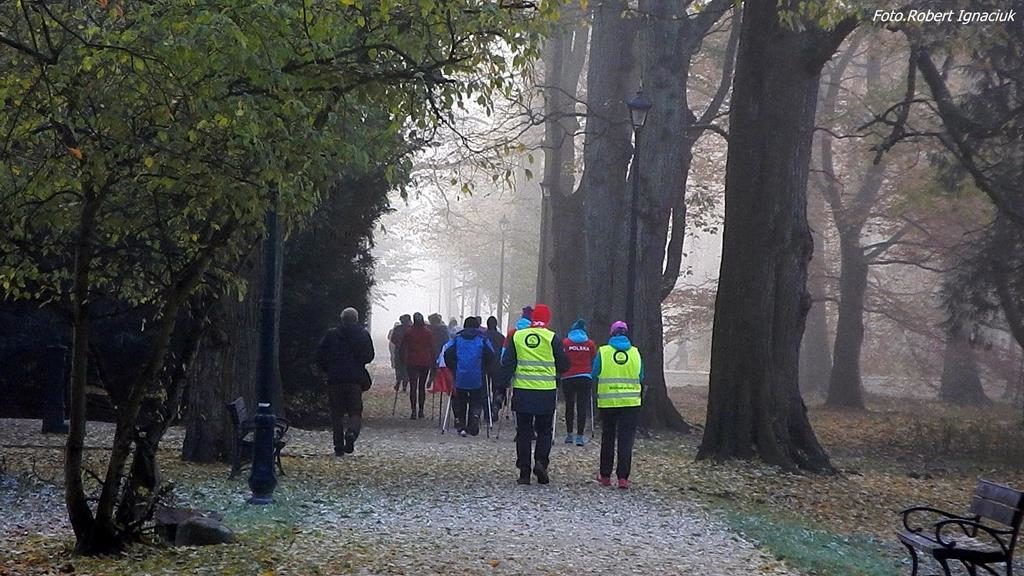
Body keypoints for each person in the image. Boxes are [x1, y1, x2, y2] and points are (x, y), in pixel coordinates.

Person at [500, 303, 568, 485]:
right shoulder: (552, 338)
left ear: (532, 318)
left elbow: (507, 363)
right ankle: (541, 462)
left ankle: (524, 471)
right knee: (544, 431)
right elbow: (564, 365)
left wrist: (501, 387)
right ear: (547, 319)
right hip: (545, 392)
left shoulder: (518, 336)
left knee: (523, 432)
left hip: (523, 391)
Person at [316, 307, 375, 456]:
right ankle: (352, 433)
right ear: (356, 319)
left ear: (342, 319)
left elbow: (320, 354)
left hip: (335, 378)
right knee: (355, 411)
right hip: (355, 379)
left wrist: (328, 368)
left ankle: (338, 446)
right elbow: (369, 356)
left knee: (336, 413)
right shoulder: (363, 334)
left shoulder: (331, 334)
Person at [592, 320, 643, 489]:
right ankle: (623, 478)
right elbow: (641, 375)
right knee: (626, 439)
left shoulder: (603, 352)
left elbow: (594, 373)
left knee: (608, 437)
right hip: (631, 403)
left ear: (611, 334)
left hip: (608, 402)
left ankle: (605, 475)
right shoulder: (635, 353)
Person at [444, 316, 496, 436]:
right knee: (476, 399)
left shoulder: (457, 339)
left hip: (460, 375)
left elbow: (447, 353)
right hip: (477, 376)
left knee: (460, 400)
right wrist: (485, 368)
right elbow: (491, 355)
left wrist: (453, 367)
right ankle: (474, 419)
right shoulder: (482, 339)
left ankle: (461, 424)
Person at [560, 318, 597, 446]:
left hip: (568, 377)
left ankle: (569, 435)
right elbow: (593, 359)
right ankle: (580, 436)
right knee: (582, 406)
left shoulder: (565, 342)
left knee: (569, 405)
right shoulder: (590, 344)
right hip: (585, 377)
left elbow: (562, 358)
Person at [400, 312, 435, 419]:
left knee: (413, 387)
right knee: (421, 387)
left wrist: (402, 360)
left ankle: (413, 411)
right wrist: (433, 361)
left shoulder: (408, 332)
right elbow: (432, 348)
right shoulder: (428, 333)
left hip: (412, 361)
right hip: (425, 361)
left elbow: (403, 347)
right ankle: (421, 410)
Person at [484, 316, 506, 418]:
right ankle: (496, 406)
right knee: (496, 388)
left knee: (485, 390)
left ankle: (487, 412)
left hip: (485, 365)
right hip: (498, 366)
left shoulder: (483, 336)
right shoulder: (501, 337)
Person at [427, 313, 451, 388]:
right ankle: (436, 382)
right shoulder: (444, 328)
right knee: (439, 367)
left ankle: (432, 379)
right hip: (441, 349)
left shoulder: (428, 328)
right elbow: (447, 339)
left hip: (431, 350)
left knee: (432, 366)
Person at [389, 314, 412, 392]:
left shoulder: (397, 329)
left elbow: (393, 340)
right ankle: (404, 386)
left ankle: (398, 381)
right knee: (406, 369)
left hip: (398, 351)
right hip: (409, 352)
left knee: (398, 368)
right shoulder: (411, 329)